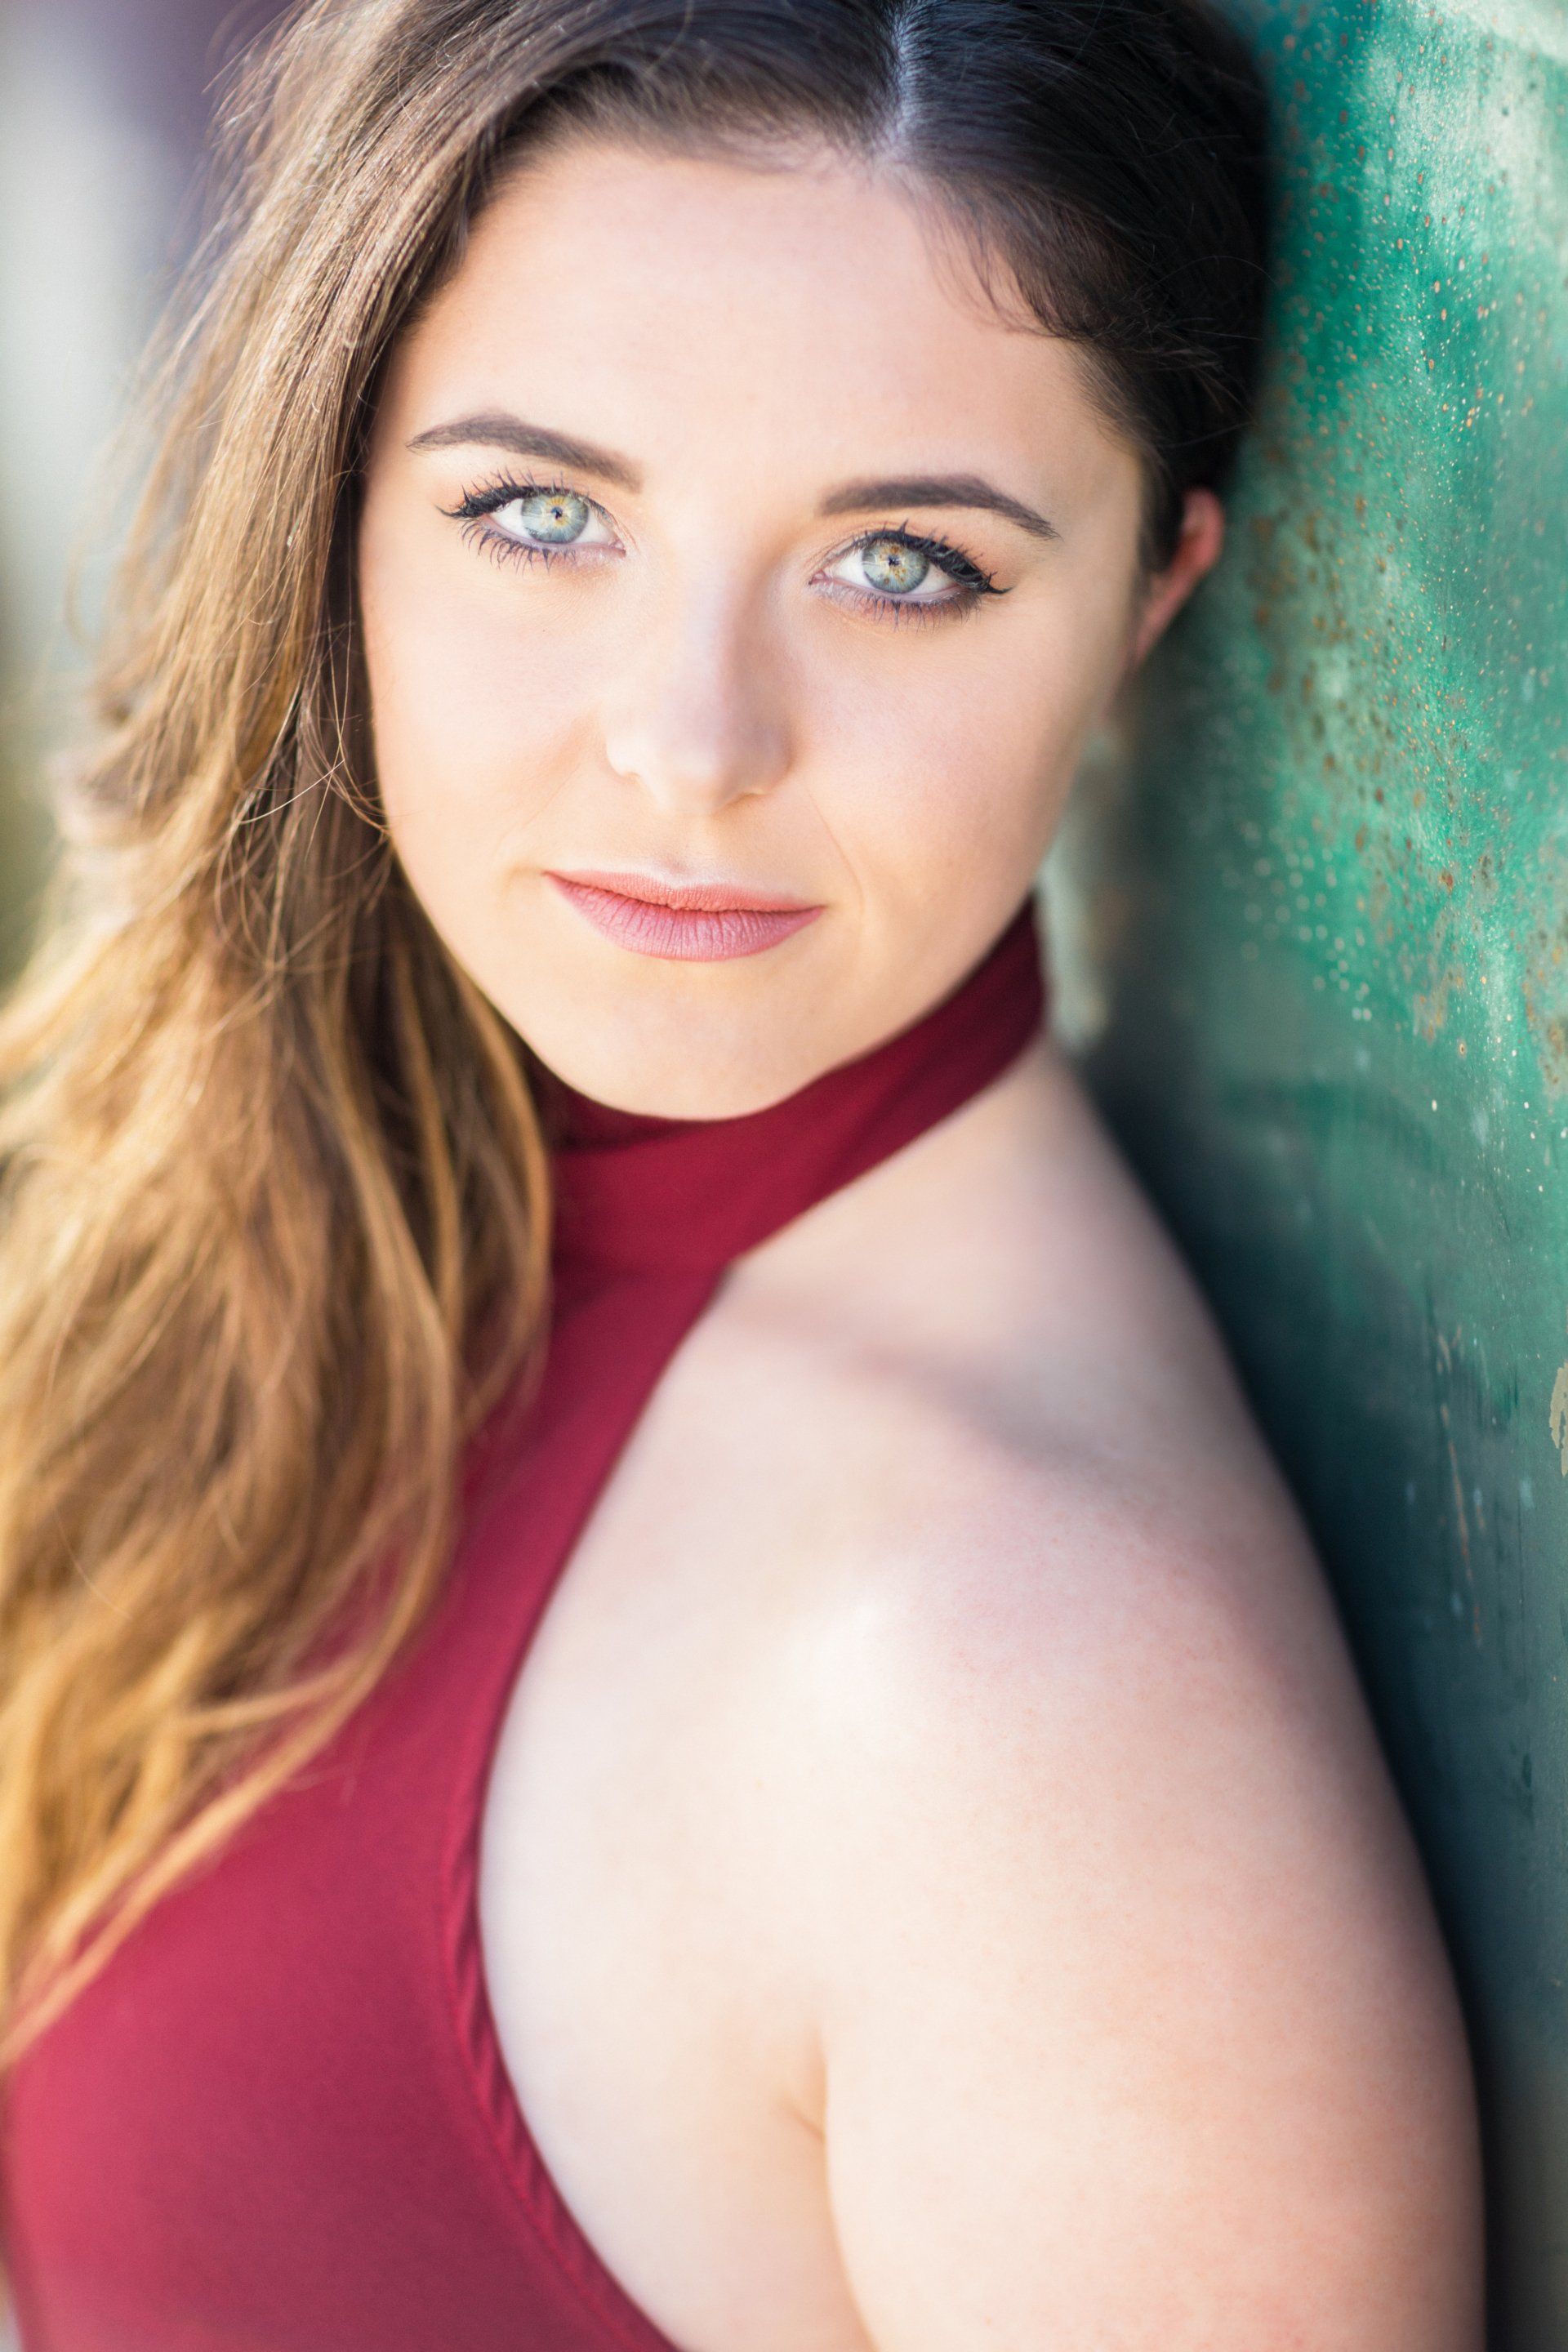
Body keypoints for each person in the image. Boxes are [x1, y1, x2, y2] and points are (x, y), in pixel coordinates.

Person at [0, 0, 1484, 2344]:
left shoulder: (1018, 1717)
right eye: (541, 514)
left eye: (904, 564)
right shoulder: (295, 1208)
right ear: (341, 502)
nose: (690, 747)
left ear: (1149, 608)